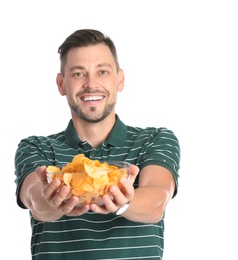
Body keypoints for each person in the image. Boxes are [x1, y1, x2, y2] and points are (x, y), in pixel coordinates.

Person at [14, 29, 181, 260]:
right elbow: (35, 200)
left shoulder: (155, 140)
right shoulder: (36, 147)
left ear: (119, 80)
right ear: (62, 84)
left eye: (102, 72)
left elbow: (157, 201)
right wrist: (55, 203)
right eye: (78, 74)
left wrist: (124, 202)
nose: (91, 84)